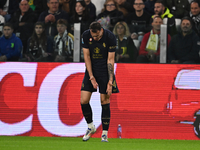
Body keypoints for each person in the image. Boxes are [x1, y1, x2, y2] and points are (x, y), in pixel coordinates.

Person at [81, 22, 119, 142]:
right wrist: (91, 76)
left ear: (101, 30)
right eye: (94, 36)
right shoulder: (86, 35)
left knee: (104, 100)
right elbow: (86, 56)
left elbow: (110, 59)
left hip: (105, 70)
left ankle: (104, 133)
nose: (95, 39)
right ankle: (91, 127)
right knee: (84, 100)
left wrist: (110, 80)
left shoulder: (110, 37)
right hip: (91, 69)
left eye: (97, 36)